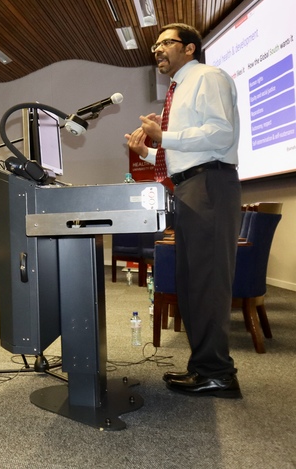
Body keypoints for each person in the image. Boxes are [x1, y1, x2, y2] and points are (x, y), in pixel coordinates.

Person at [124, 23, 241, 398]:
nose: (157, 50)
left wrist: (166, 137)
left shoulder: (208, 77)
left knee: (207, 284)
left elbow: (221, 133)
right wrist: (149, 151)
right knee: (193, 284)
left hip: (210, 185)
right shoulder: (178, 89)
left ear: (189, 48)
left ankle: (218, 374)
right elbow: (188, 147)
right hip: (191, 186)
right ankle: (203, 368)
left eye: (165, 43)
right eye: (155, 45)